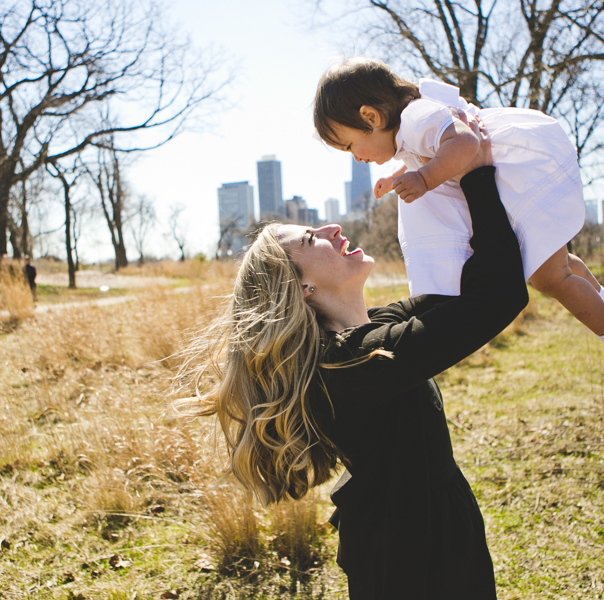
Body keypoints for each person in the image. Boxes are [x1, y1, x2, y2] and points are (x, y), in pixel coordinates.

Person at [175, 132, 525, 597]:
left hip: (431, 533)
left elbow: (470, 289)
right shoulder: (350, 364)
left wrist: (438, 172)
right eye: (309, 238)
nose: (332, 229)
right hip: (410, 558)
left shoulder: (373, 332)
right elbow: (498, 297)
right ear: (301, 289)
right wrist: (475, 172)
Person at [313, 57, 604, 379]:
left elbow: (464, 141)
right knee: (550, 259)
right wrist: (402, 173)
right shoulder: (410, 126)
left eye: (350, 145)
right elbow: (429, 149)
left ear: (370, 116)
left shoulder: (416, 116)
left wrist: (424, 178)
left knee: (550, 278)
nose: (356, 157)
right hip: (509, 183)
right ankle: (601, 297)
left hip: (515, 176)